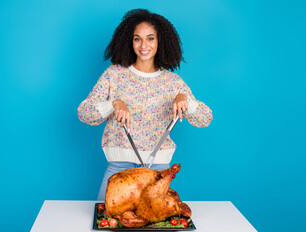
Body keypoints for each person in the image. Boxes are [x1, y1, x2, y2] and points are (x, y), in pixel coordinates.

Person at [77, 9, 213, 201]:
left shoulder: (172, 82)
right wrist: (114, 104)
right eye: (137, 39)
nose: (143, 45)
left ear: (160, 42)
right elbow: (84, 113)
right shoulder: (114, 74)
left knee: (156, 227)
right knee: (106, 223)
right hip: (118, 168)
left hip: (157, 172)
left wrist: (186, 100)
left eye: (150, 38)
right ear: (129, 41)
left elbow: (205, 119)